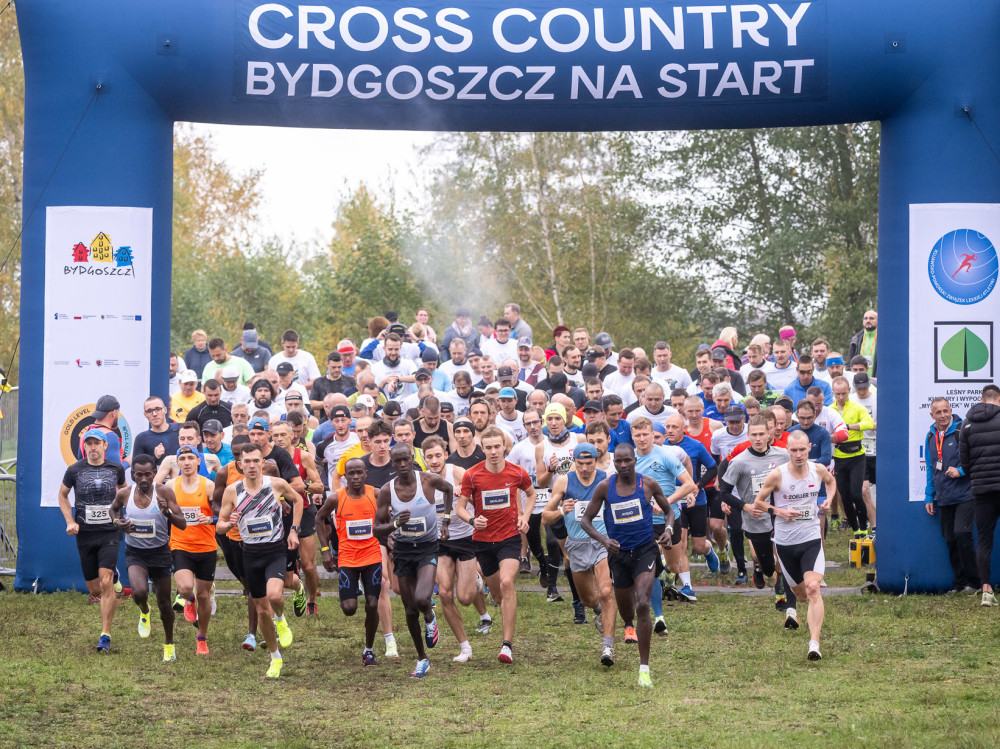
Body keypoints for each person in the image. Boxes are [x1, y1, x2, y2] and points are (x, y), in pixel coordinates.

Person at [581, 443, 692, 687]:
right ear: (614, 463)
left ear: (634, 460)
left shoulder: (648, 484)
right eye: (618, 461)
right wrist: (604, 540)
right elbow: (586, 521)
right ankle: (628, 625)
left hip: (645, 550)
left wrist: (670, 529)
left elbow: (669, 511)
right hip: (619, 555)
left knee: (643, 602)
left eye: (627, 461)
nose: (622, 465)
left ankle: (644, 669)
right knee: (627, 611)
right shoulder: (605, 487)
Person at [216, 443, 303, 678]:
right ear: (240, 464)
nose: (252, 465)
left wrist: (294, 530)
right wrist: (230, 523)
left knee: (274, 595)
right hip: (250, 554)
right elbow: (220, 526)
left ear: (262, 462)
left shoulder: (275, 484)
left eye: (256, 460)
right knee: (262, 610)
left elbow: (298, 500)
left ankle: (282, 620)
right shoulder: (232, 491)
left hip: (275, 550)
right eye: (248, 461)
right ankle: (275, 657)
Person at [751, 430, 838, 661]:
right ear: (787, 450)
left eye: (802, 450)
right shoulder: (777, 476)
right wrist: (778, 510)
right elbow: (758, 502)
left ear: (809, 447)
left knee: (812, 589)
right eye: (793, 450)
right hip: (785, 543)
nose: (798, 454)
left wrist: (828, 499)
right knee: (800, 595)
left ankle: (814, 644)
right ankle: (796, 601)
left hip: (811, 539)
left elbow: (831, 482)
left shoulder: (817, 470)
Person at [455, 427, 534, 664]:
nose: (493, 452)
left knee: (507, 582)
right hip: (483, 542)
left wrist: (525, 517)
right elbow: (459, 508)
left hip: (509, 538)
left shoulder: (517, 472)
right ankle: (482, 584)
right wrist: (472, 520)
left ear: (504, 447)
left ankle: (507, 645)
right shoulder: (472, 475)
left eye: (497, 447)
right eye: (488, 448)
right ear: (483, 449)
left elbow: (530, 495)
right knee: (499, 596)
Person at [374, 445, 454, 677]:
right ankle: (422, 658)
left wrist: (446, 521)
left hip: (428, 547)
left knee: (421, 598)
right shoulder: (388, 491)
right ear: (392, 464)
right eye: (397, 461)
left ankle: (429, 615)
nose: (401, 465)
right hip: (403, 550)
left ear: (412, 459)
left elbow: (449, 489)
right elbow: (377, 529)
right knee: (409, 609)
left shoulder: (428, 480)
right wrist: (395, 525)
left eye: (405, 460)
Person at [542, 443, 618, 666]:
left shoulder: (607, 478)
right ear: (574, 461)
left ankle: (608, 647)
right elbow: (545, 517)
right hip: (575, 545)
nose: (584, 468)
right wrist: (561, 511)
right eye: (580, 463)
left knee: (606, 591)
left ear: (596, 461)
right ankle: (598, 611)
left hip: (601, 541)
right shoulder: (565, 480)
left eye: (589, 463)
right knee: (587, 599)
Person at [717, 415, 796, 627]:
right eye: (754, 435)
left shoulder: (783, 455)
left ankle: (786, 599)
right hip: (755, 518)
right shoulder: (740, 461)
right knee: (768, 564)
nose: (758, 438)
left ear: (769, 434)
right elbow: (723, 492)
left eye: (762, 434)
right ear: (748, 435)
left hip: (779, 515)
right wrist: (745, 506)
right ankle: (763, 568)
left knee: (783, 557)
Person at [109, 455, 187, 661]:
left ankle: (169, 644)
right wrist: (118, 522)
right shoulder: (126, 493)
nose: (143, 479)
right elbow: (113, 509)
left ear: (154, 473)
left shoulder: (164, 492)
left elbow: (182, 523)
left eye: (147, 474)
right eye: (138, 474)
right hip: (136, 553)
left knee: (164, 602)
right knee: (139, 592)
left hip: (160, 552)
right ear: (133, 474)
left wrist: (167, 513)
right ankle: (144, 610)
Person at [57, 428, 127, 652]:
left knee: (106, 583)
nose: (93, 447)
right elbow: (62, 495)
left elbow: (126, 491)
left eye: (97, 443)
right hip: (86, 534)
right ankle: (113, 575)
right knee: (95, 589)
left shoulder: (116, 469)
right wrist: (70, 521)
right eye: (89, 443)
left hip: (110, 531)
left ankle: (105, 635)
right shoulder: (74, 470)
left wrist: (123, 516)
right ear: (84, 446)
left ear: (106, 446)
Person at [423, 436, 489, 660]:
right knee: (444, 593)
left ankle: (476, 580)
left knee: (465, 597)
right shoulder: (421, 481)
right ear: (423, 458)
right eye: (429, 457)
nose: (434, 460)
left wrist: (465, 497)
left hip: (465, 539)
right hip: (439, 542)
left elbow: (480, 502)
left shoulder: (458, 473)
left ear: (445, 454)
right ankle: (465, 648)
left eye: (438, 455)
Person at [317, 458, 383, 665]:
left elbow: (389, 515)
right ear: (344, 476)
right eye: (350, 474)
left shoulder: (377, 494)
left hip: (372, 555)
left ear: (365, 473)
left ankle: (369, 649)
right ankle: (351, 591)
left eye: (359, 473)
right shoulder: (337, 498)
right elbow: (319, 518)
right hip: (347, 557)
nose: (355, 477)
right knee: (349, 608)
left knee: (372, 604)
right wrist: (326, 549)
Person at [924, 398, 978, 594]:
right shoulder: (930, 435)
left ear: (951, 410)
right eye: (938, 412)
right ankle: (959, 583)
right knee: (950, 539)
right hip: (944, 497)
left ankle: (974, 582)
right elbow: (930, 468)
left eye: (945, 411)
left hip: (965, 495)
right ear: (932, 415)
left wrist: (961, 471)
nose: (942, 415)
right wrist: (929, 496)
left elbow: (976, 459)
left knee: (962, 533)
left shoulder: (961, 430)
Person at [169, 446, 217, 655]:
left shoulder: (209, 486)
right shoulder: (171, 486)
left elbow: (220, 514)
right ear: (177, 463)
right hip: (181, 545)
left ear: (199, 461)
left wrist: (210, 519)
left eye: (191, 458)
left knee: (204, 596)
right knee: (186, 587)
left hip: (206, 546)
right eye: (182, 459)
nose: (187, 462)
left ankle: (202, 638)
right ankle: (189, 599)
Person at [959, 384, 1000, 605]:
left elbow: (964, 461)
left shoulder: (967, 424)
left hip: (982, 489)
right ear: (998, 399)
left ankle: (986, 591)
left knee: (984, 540)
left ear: (982, 400)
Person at [831, 376, 875, 538]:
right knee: (845, 495)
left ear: (849, 390)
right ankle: (856, 529)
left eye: (844, 393)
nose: (841, 397)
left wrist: (847, 427)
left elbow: (869, 424)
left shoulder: (857, 407)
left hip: (857, 456)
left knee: (857, 494)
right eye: (838, 394)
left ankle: (864, 527)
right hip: (839, 457)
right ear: (833, 393)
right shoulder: (830, 410)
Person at [133, 396, 180, 466]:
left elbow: (198, 456)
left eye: (158, 409)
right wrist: (154, 458)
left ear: (165, 410)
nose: (154, 414)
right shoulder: (141, 438)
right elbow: (135, 473)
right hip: (156, 476)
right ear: (145, 414)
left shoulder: (180, 430)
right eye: (149, 411)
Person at [848, 310, 878, 377]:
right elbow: (849, 362)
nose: (868, 320)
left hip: (878, 380)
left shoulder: (884, 338)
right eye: (865, 318)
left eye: (871, 318)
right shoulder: (856, 338)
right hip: (859, 381)